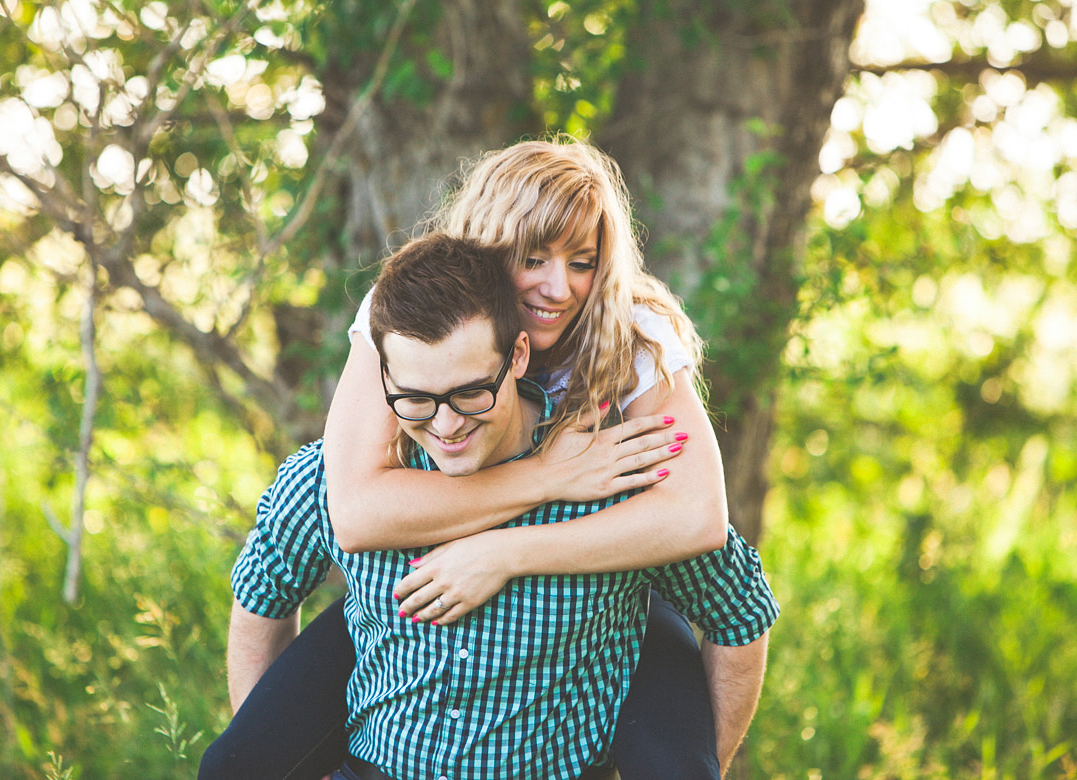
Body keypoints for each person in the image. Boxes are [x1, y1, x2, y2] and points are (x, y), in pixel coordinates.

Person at [200, 137, 771, 780]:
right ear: (490, 250)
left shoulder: (628, 330)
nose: (560, 287)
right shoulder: (408, 320)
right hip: (416, 609)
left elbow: (699, 520)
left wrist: (504, 553)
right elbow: (352, 511)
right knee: (241, 763)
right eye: (533, 257)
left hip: (603, 581)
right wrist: (547, 476)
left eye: (582, 261)